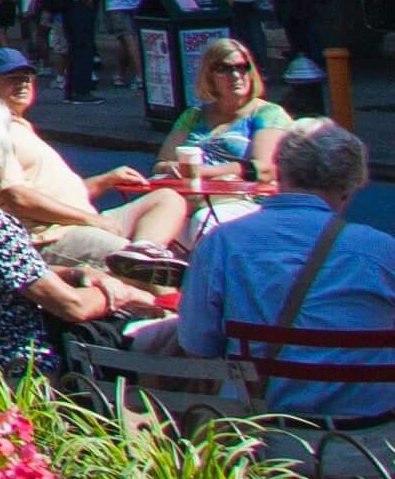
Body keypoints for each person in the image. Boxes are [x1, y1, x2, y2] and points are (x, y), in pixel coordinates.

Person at [163, 120, 395, 459]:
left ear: (281, 174)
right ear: (348, 187)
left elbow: (197, 343)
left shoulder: (223, 244)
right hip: (374, 440)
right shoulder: (381, 251)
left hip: (264, 439)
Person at [0, 92, 164, 377]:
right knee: (165, 337)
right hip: (33, 363)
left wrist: (78, 274)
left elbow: (7, 276)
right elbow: (72, 306)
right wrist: (127, 294)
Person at [0, 50, 190, 260]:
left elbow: (60, 196)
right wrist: (90, 220)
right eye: (12, 78)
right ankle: (138, 265)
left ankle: (143, 252)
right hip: (52, 235)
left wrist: (107, 180)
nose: (22, 84)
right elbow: (17, 197)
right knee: (143, 269)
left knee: (168, 198)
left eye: (27, 78)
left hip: (80, 221)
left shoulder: (20, 127)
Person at [161, 39, 296, 196]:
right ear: (209, 76)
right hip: (188, 196)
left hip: (241, 197)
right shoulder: (193, 115)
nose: (235, 75)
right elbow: (160, 164)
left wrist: (200, 172)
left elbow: (264, 168)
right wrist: (168, 168)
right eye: (223, 69)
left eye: (242, 67)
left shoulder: (268, 114)